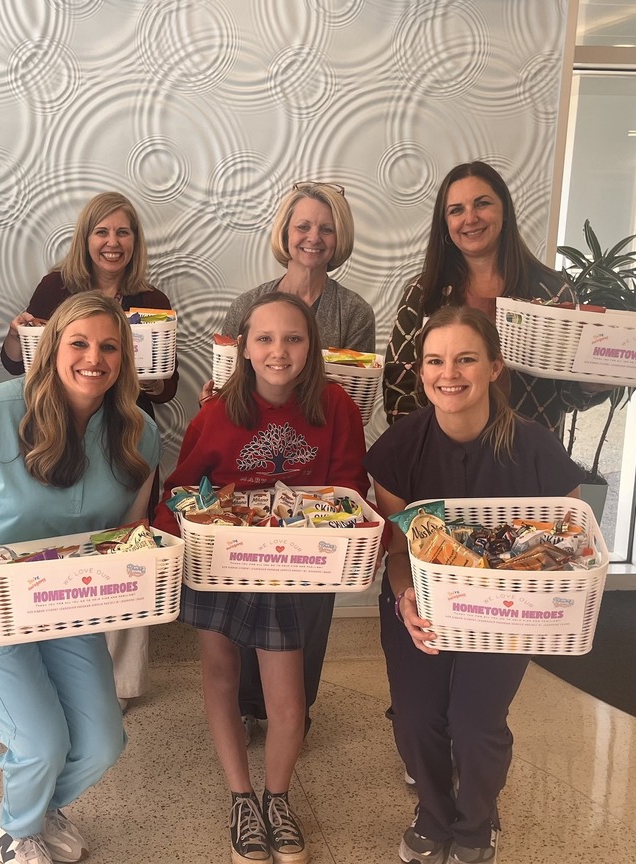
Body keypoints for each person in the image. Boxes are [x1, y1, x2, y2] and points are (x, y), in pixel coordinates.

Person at [0, 292, 160, 864]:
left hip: (64, 604)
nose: (93, 358)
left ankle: (40, 807)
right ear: (52, 349)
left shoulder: (138, 433)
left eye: (109, 346)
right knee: (40, 741)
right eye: (79, 343)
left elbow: (126, 532)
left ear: (124, 358)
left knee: (102, 743)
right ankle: (14, 830)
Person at [365, 306, 585, 864]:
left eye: (466, 358)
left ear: (494, 367)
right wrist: (403, 599)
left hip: (508, 612)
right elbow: (395, 549)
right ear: (420, 372)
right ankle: (434, 812)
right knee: (418, 719)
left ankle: (478, 818)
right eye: (436, 361)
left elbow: (570, 543)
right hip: (422, 602)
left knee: (475, 721)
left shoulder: (536, 449)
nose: (450, 373)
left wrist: (541, 597)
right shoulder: (400, 447)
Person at [156, 292, 368, 864]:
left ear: (312, 348)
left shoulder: (336, 406)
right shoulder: (218, 412)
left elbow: (350, 491)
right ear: (244, 348)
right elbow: (180, 489)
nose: (279, 351)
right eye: (265, 339)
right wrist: (162, 551)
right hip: (220, 563)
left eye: (294, 338)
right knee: (222, 678)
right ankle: (241, 797)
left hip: (289, 567)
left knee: (288, 701)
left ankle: (278, 797)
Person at [201, 181, 375, 745]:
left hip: (315, 479)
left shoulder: (354, 310)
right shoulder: (247, 303)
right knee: (248, 591)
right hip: (249, 478)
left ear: (338, 236)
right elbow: (229, 389)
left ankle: (296, 707)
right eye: (303, 225)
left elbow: (358, 395)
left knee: (306, 603)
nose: (313, 237)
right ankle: (251, 705)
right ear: (286, 231)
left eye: (325, 227)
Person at [0, 191, 178, 709]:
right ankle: (53, 671)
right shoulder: (56, 288)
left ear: (135, 241)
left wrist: (141, 368)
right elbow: (19, 365)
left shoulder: (153, 302)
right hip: (59, 435)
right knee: (60, 550)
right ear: (86, 238)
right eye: (102, 231)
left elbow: (163, 392)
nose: (112, 242)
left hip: (124, 435)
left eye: (123, 232)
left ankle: (121, 684)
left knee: (124, 548)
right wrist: (16, 337)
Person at [382, 160, 607, 434]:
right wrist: (420, 448)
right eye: (456, 210)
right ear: (445, 223)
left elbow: (566, 394)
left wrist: (592, 384)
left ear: (505, 211)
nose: (470, 218)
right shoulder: (422, 293)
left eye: (482, 204)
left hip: (526, 462)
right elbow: (399, 383)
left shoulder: (553, 293)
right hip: (438, 462)